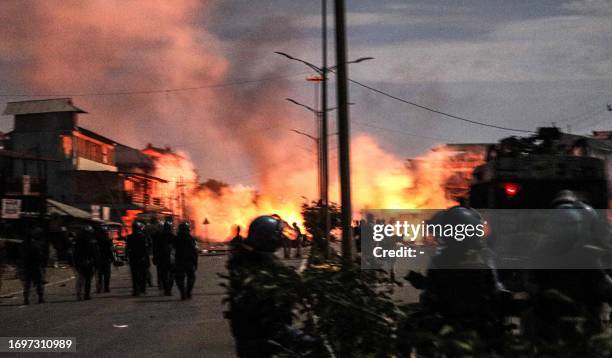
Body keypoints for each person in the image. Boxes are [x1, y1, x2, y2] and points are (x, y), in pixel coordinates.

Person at [226, 215, 298, 358]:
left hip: (258, 335)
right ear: (267, 238)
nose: (280, 238)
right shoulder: (256, 263)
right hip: (261, 338)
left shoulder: (250, 257)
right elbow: (267, 302)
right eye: (277, 235)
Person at [20, 226, 48, 305]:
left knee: (27, 284)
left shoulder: (24, 244)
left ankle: (26, 299)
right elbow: (39, 255)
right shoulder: (35, 244)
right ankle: (40, 298)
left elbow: (22, 255)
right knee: (38, 282)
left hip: (27, 266)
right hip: (35, 265)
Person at [173, 222, 198, 300]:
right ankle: (188, 292)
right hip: (189, 261)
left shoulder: (176, 238)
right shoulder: (191, 238)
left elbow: (173, 250)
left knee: (179, 278)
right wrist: (195, 262)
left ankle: (183, 293)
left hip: (179, 261)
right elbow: (195, 251)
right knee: (191, 277)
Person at [73, 226, 99, 301]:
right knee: (87, 279)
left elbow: (75, 253)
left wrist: (75, 262)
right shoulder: (91, 241)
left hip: (81, 262)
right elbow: (95, 252)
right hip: (88, 262)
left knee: (81, 279)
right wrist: (95, 262)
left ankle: (79, 295)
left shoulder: (78, 241)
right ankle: (86, 295)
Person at [153, 218, 175, 296]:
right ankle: (169, 288)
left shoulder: (159, 236)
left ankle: (166, 289)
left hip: (162, 258)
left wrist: (155, 258)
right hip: (171, 259)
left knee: (164, 275)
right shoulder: (172, 236)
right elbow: (176, 247)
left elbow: (155, 248)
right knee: (171, 274)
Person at [126, 221, 149, 296]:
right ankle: (142, 289)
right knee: (143, 274)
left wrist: (127, 257)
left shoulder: (130, 237)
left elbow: (127, 248)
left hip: (134, 258)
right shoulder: (143, 236)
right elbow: (146, 248)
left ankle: (136, 290)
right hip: (141, 258)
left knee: (135, 275)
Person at [94, 225, 114, 293]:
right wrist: (113, 259)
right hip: (106, 259)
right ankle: (106, 288)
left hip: (98, 259)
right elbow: (109, 251)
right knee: (107, 274)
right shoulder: (107, 240)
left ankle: (99, 288)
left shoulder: (96, 240)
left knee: (99, 275)